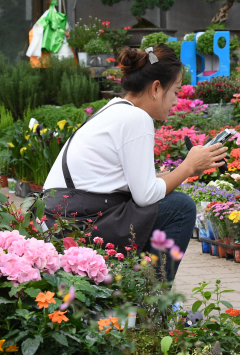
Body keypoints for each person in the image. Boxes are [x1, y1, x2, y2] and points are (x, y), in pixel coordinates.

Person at [42, 44, 228, 280]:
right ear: (156, 88)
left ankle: (136, 293)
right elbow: (146, 195)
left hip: (61, 218)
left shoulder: (114, 110)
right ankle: (152, 303)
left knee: (172, 200)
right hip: (76, 224)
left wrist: (189, 168)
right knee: (180, 207)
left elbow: (139, 185)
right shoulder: (136, 118)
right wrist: (188, 167)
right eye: (176, 91)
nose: (176, 101)